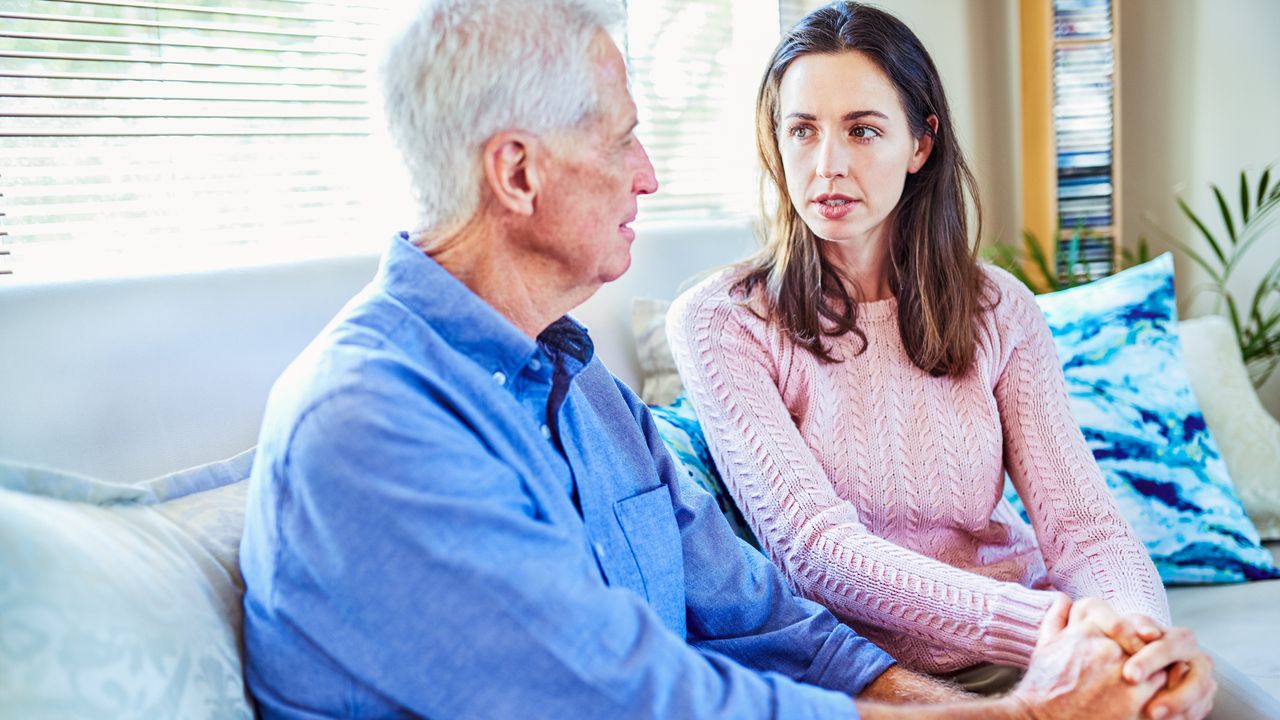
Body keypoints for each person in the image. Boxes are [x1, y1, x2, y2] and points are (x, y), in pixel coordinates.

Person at [239, 0, 1181, 717]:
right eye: (621, 137)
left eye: (862, 130)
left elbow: (770, 623)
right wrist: (1023, 714)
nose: (649, 172)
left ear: (921, 144)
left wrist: (1083, 673)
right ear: (518, 172)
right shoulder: (371, 421)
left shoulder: (584, 390)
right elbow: (639, 695)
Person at [667, 2, 1220, 718]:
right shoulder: (721, 322)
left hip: (1023, 649)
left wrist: (1136, 642)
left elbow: (1083, 527)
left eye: (863, 130)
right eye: (801, 130)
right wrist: (1057, 630)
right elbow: (815, 550)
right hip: (869, 681)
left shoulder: (1000, 309)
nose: (827, 164)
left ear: (921, 144)